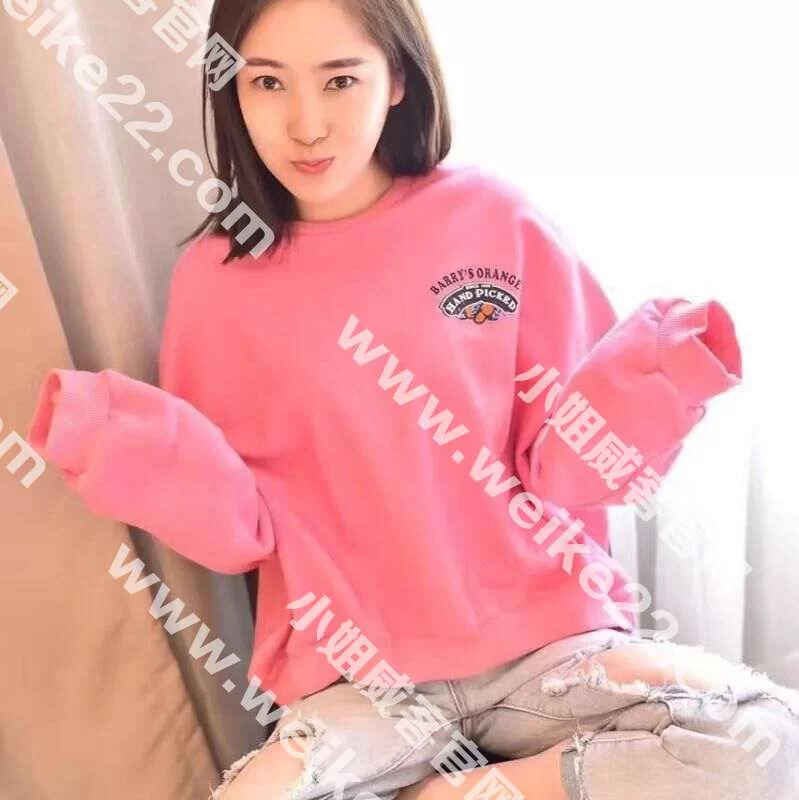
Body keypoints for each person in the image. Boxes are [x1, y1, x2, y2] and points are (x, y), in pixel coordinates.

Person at [27, 0, 799, 798]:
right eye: (267, 83)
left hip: (546, 646)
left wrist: (666, 371)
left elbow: (575, 466)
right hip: (358, 685)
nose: (306, 126)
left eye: (340, 80)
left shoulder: (494, 221)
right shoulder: (215, 283)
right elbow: (238, 530)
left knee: (767, 738)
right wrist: (111, 441)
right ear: (231, 89)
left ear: (397, 79)